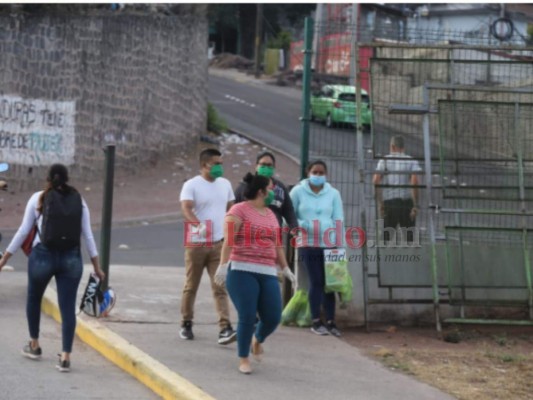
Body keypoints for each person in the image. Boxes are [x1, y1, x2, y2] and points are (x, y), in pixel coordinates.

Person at [0, 164, 105, 372]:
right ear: (67, 178)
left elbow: (22, 232)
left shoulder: (38, 198)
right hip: (71, 259)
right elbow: (88, 236)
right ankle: (65, 357)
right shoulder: (79, 200)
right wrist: (97, 267)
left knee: (33, 298)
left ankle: (35, 344)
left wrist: (4, 260)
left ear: (48, 179)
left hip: (42, 256)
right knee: (67, 307)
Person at [214, 173, 296, 374]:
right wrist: (223, 267)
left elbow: (277, 246)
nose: (272, 193)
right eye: (270, 189)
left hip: (267, 270)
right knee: (248, 316)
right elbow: (229, 241)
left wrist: (286, 269)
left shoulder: (270, 214)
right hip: (242, 269)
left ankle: (257, 340)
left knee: (273, 316)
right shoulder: (238, 210)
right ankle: (243, 358)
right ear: (260, 191)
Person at [179, 148, 236, 344]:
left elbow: (231, 210)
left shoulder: (225, 184)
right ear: (205, 165)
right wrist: (198, 225)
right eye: (216, 163)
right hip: (196, 243)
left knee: (220, 285)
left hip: (218, 243)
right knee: (191, 285)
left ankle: (225, 327)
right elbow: (186, 207)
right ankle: (186, 322)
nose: (220, 167)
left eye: (221, 163)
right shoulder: (191, 185)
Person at [290, 160, 344, 337]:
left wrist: (339, 245)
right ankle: (315, 321)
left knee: (331, 284)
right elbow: (288, 217)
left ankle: (331, 321)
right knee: (317, 281)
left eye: (321, 173)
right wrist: (304, 225)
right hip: (307, 243)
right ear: (308, 173)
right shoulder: (298, 192)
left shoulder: (333, 193)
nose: (318, 176)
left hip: (330, 244)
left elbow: (338, 219)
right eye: (315, 172)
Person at [372, 135, 421, 243]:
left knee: (386, 238)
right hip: (406, 203)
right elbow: (415, 181)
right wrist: (415, 205)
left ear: (392, 146)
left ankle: (386, 258)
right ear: (403, 147)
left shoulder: (384, 161)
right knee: (409, 239)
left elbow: (376, 180)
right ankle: (410, 257)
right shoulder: (412, 161)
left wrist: (381, 203)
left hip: (390, 203)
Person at [234, 151, 298, 231]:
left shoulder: (280, 188)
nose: (266, 168)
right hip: (250, 235)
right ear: (256, 166)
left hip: (274, 236)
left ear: (273, 167)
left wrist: (294, 226)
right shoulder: (245, 187)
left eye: (269, 165)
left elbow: (288, 210)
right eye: (263, 165)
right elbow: (234, 210)